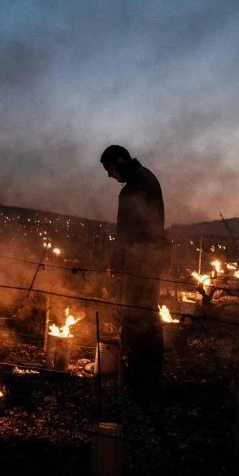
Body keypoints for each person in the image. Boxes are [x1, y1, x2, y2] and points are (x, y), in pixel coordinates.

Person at [100, 145, 167, 400]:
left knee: (139, 316)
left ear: (120, 161)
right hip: (148, 259)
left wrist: (115, 264)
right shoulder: (146, 178)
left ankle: (142, 378)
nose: (110, 176)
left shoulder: (135, 187)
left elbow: (126, 232)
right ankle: (148, 376)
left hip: (142, 261)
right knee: (146, 316)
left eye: (111, 170)